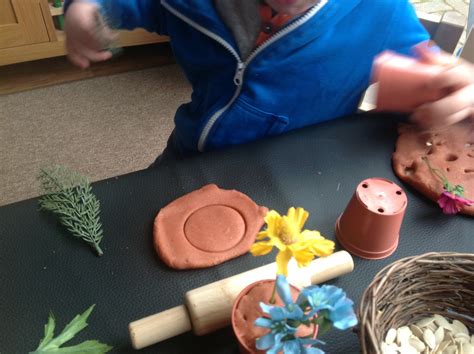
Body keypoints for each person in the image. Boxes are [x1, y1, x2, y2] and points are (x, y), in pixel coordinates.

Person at [64, 0, 474, 164]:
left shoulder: (379, 11)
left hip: (299, 168)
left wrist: (454, 90)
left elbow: (430, 82)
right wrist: (85, 7)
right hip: (192, 153)